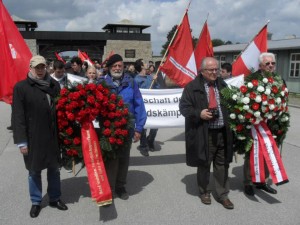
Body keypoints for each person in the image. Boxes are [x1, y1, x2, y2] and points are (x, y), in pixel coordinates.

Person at [12, 55, 68, 218]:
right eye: (37, 67)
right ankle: (36, 201)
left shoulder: (54, 84)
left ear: (46, 67)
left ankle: (55, 198)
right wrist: (21, 141)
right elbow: (18, 116)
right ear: (30, 68)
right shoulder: (21, 87)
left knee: (54, 169)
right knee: (34, 171)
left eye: (42, 67)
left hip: (52, 136)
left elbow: (62, 109)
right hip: (33, 136)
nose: (40, 70)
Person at [179, 57, 234, 209]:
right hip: (204, 133)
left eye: (216, 69)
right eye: (211, 69)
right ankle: (204, 191)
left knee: (222, 164)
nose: (214, 72)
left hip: (223, 132)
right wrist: (199, 113)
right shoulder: (192, 87)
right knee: (204, 163)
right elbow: (184, 108)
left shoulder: (222, 85)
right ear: (202, 71)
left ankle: (223, 194)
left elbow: (230, 104)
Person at [97, 54, 147, 200]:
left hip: (127, 127)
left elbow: (139, 105)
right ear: (109, 68)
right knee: (111, 159)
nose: (117, 68)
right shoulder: (101, 83)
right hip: (108, 128)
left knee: (124, 158)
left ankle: (120, 186)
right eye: (114, 66)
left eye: (120, 65)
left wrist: (139, 128)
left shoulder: (131, 82)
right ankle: (109, 188)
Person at [243, 52, 281, 196]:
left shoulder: (279, 80)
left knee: (269, 153)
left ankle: (262, 181)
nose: (271, 65)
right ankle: (248, 182)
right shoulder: (252, 81)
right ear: (260, 66)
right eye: (267, 63)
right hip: (256, 124)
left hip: (273, 124)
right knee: (252, 153)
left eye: (273, 63)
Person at [134, 59, 159, 157]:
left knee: (155, 126)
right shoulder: (136, 80)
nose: (147, 64)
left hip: (153, 106)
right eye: (144, 62)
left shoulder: (150, 77)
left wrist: (156, 81)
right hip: (142, 106)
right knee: (143, 127)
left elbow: (157, 89)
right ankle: (143, 146)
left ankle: (150, 140)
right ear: (141, 66)